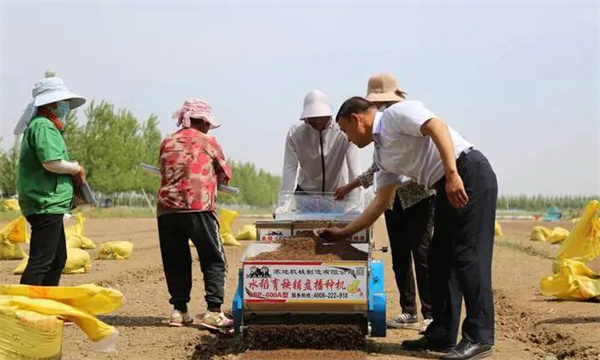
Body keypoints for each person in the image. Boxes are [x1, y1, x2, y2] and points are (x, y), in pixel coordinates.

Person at [321, 95, 497, 360]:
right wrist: (343, 233)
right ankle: (442, 334)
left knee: (469, 256)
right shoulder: (382, 155)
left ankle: (479, 336)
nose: (347, 139)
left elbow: (436, 126)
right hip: (443, 184)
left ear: (357, 119)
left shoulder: (395, 115)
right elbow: (380, 203)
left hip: (466, 172)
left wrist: (451, 174)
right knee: (438, 258)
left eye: (345, 130)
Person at [335, 73, 435, 331]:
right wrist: (351, 185)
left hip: (418, 197)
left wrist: (418, 174)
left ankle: (431, 314)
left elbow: (426, 152)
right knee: (400, 256)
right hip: (392, 201)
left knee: (422, 254)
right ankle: (409, 310)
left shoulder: (404, 118)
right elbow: (378, 169)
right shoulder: (379, 133)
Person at [157, 99, 233, 330]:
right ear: (201, 121)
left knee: (176, 259)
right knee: (213, 258)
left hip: (167, 209)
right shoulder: (209, 142)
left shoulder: (167, 141)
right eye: (208, 123)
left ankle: (179, 311)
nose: (209, 128)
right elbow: (225, 173)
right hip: (198, 206)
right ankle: (213, 311)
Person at [15, 77, 86, 286]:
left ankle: (45, 306)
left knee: (56, 260)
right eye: (62, 102)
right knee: (42, 261)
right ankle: (24, 309)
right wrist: (76, 168)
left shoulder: (43, 125)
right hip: (45, 202)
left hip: (48, 203)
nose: (65, 106)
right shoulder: (43, 126)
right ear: (50, 103)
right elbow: (51, 162)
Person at [276, 90, 361, 212]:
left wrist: (355, 204)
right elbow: (289, 168)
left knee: (337, 231)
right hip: (306, 196)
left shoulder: (344, 131)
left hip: (337, 195)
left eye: (321, 117)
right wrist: (283, 204)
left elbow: (355, 171)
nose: (317, 121)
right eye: (312, 118)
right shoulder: (295, 134)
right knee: (305, 231)